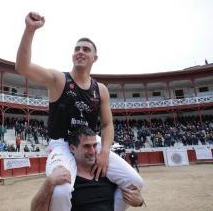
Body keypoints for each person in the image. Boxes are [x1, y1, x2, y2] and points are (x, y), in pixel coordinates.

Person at [16, 12, 143, 211]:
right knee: (61, 190)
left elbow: (107, 125)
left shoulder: (100, 89)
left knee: (135, 182)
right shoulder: (59, 80)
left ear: (95, 57)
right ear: (72, 55)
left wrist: (105, 152)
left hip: (93, 143)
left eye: (85, 49)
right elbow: (23, 67)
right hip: (62, 144)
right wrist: (30, 30)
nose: (80, 52)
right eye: (77, 49)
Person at [31, 127, 144, 211]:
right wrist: (48, 184)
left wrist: (140, 202)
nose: (92, 151)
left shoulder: (108, 173)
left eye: (94, 145)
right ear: (72, 148)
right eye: (86, 146)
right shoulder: (64, 179)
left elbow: (132, 189)